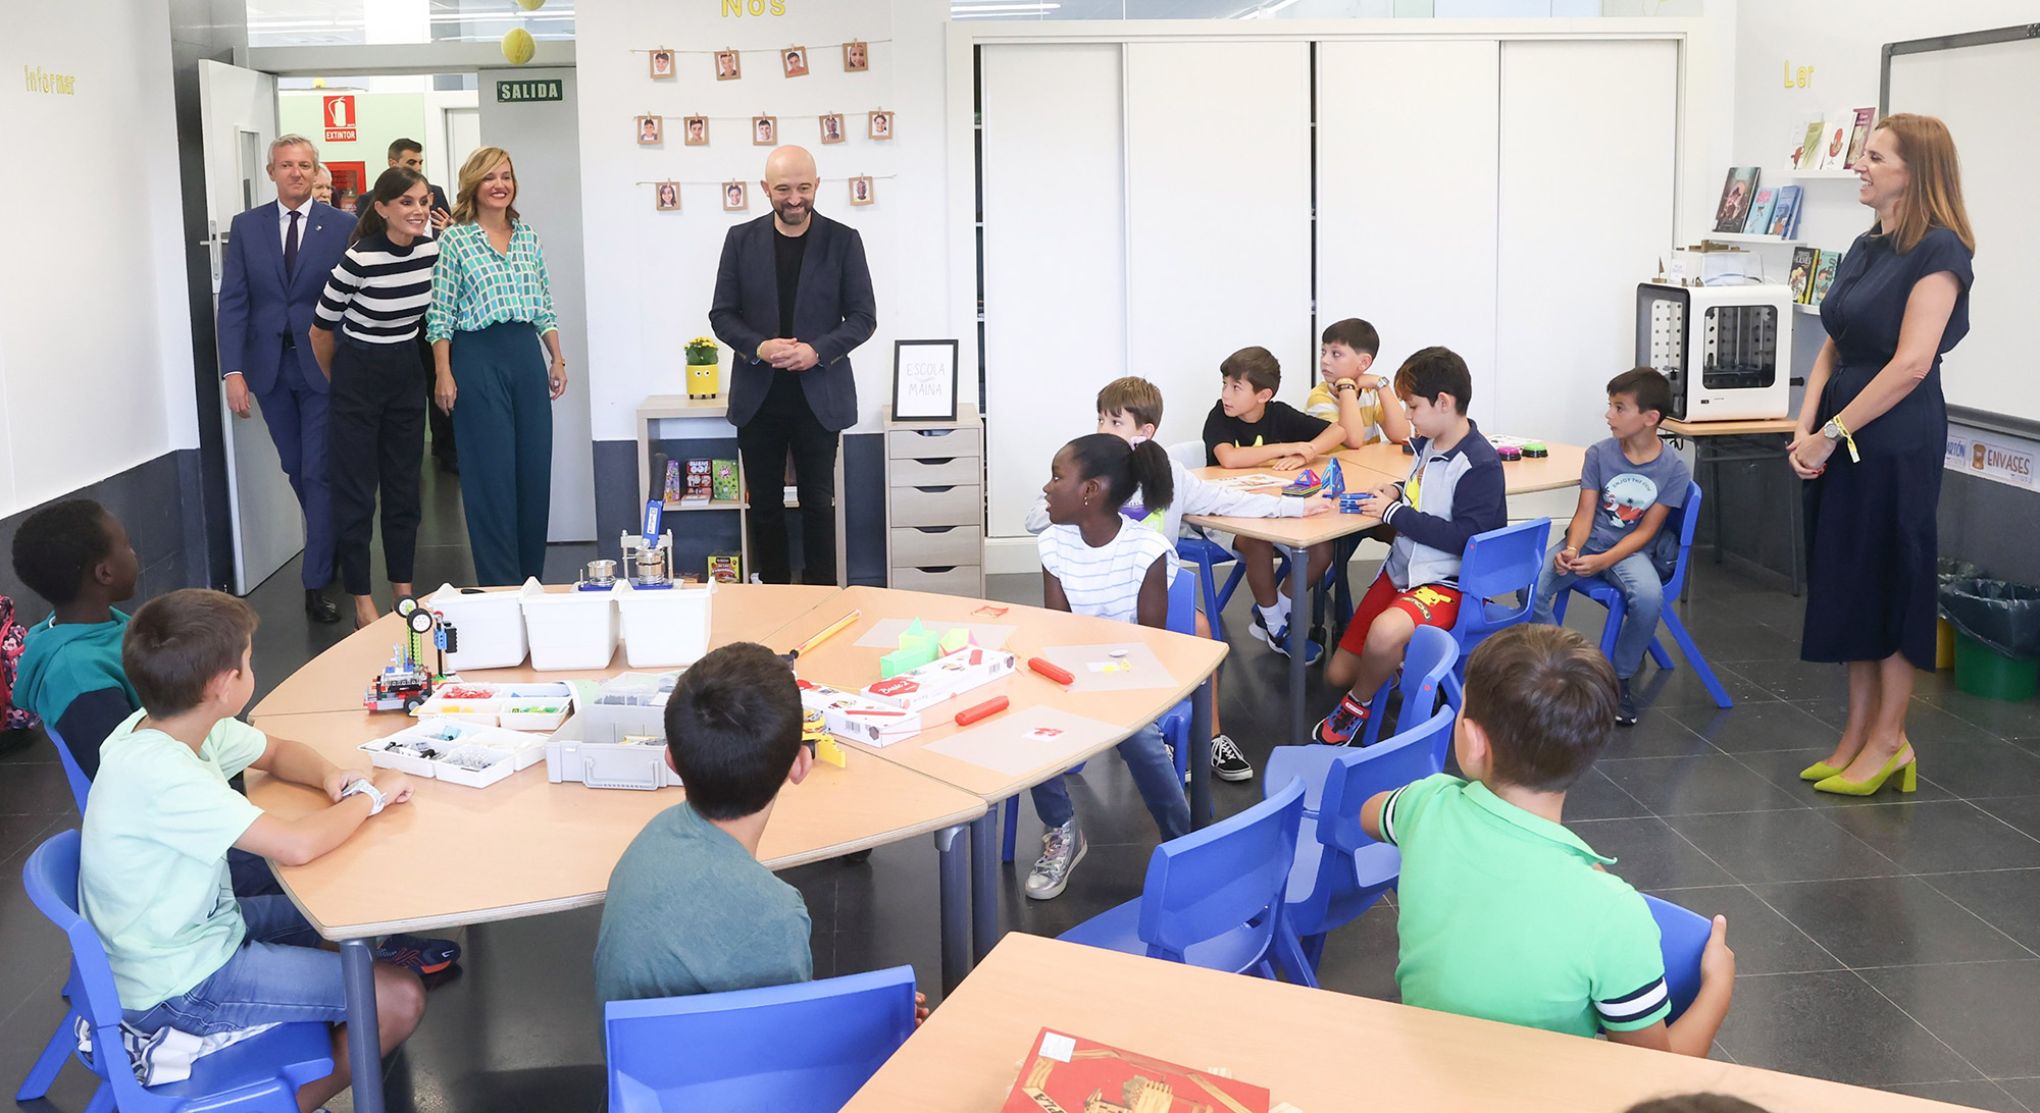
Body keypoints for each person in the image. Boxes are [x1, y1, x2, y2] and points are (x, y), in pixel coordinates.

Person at [79, 589, 440, 1113]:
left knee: (343, 918)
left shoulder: (165, 728)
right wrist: (372, 793)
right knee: (399, 999)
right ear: (225, 686)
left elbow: (275, 750)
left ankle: (310, 1011)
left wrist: (330, 776)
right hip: (180, 982)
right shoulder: (163, 774)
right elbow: (295, 846)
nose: (252, 671)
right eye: (248, 662)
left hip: (189, 932)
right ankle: (282, 1103)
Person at [1358, 624, 1735, 1055]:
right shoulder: (1614, 912)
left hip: (1421, 1070)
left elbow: (1371, 813)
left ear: (1475, 740)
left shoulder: (1425, 805)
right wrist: (1717, 987)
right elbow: (1652, 1074)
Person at [1788, 113, 1975, 797]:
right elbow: (1835, 337)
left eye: (1873, 156)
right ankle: (1857, 733)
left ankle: (1892, 741)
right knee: (1851, 582)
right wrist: (1804, 425)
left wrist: (1830, 433)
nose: (1859, 166)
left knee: (1891, 581)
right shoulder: (1870, 242)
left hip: (1894, 438)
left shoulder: (1942, 251)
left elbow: (1911, 365)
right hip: (1842, 424)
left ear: (1913, 172)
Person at [1023, 377, 1333, 783]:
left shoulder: (1166, 473)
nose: (1102, 429)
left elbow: (1228, 501)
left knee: (1203, 630)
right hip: (1093, 600)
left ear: (1144, 432)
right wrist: (1082, 491)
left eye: (1115, 422)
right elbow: (1033, 520)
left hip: (1151, 597)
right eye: (1100, 419)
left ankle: (1210, 737)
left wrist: (1294, 508)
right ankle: (1126, 733)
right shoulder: (1086, 476)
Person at [593, 643, 814, 1004]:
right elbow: (791, 1042)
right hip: (721, 1059)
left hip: (635, 1057)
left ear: (671, 760)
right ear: (800, 765)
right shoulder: (775, 913)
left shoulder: (655, 835)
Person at [1025, 433, 1192, 900]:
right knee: (1033, 725)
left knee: (1140, 736)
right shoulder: (1053, 544)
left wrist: (1103, 680)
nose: (1047, 488)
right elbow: (1058, 633)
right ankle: (1062, 830)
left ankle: (1182, 842)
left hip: (1133, 682)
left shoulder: (1146, 550)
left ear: (1090, 491)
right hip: (1074, 678)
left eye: (1058, 477)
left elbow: (1150, 646)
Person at [1317, 347, 1505, 746]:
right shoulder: (1431, 443)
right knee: (1338, 672)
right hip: (1403, 570)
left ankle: (1359, 703)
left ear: (1444, 402)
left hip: (1448, 582)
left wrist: (1393, 514)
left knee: (1383, 635)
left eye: (1412, 406)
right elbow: (1425, 494)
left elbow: (1467, 538)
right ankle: (1398, 666)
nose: (1406, 415)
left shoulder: (1478, 464)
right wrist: (1397, 491)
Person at [710, 146, 877, 585]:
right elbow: (722, 315)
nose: (795, 198)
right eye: (784, 189)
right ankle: (775, 601)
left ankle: (822, 601)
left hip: (819, 396)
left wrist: (817, 351)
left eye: (804, 187)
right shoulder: (739, 240)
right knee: (763, 507)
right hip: (758, 399)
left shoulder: (844, 240)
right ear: (766, 189)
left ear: (817, 185)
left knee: (819, 505)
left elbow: (863, 318)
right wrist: (760, 347)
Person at [216, 134, 354, 625]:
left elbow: (356, 297)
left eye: (304, 165)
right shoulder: (247, 227)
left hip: (324, 366)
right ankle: (328, 535)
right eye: (286, 165)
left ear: (316, 172)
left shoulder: (342, 226)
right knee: (296, 468)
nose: (296, 173)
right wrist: (233, 371)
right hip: (270, 369)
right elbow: (233, 301)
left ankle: (315, 581)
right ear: (271, 171)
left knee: (318, 472)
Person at [425, 147, 568, 586]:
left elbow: (542, 303)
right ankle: (500, 585)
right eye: (490, 177)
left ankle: (530, 582)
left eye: (506, 176)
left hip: (524, 354)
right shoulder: (455, 240)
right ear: (474, 185)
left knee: (532, 472)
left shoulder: (527, 236)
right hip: (476, 357)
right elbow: (440, 313)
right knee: (491, 477)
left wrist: (556, 356)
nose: (500, 184)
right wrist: (444, 372)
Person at [311, 168, 439, 630]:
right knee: (357, 495)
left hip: (405, 370)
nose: (418, 210)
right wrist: (340, 381)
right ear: (381, 208)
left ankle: (403, 593)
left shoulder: (431, 249)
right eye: (406, 202)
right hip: (357, 373)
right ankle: (362, 599)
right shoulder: (358, 260)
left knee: (405, 490)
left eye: (423, 201)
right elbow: (320, 330)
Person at [1531, 368, 1689, 726]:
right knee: (1533, 586)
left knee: (1649, 598)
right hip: (1589, 541)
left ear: (1650, 418)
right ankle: (1565, 668)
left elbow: (1647, 531)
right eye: (1610, 406)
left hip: (1630, 551)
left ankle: (1619, 678)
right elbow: (1585, 512)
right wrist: (1573, 548)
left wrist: (1604, 559)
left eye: (1620, 408)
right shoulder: (1599, 453)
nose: (1608, 416)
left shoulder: (1673, 469)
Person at [1201, 346, 1345, 663]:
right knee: (1258, 544)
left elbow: (1339, 431)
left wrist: (1306, 452)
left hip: (1276, 509)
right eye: (1225, 384)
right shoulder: (1219, 416)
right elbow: (1229, 457)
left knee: (1322, 550)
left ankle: (1273, 611)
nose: (1226, 394)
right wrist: (1288, 446)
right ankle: (1278, 628)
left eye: (1235, 387)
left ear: (1263, 395)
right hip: (1221, 516)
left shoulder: (1279, 414)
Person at [11, 500, 141, 775]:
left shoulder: (108, 625)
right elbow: (125, 776)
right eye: (127, 545)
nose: (134, 552)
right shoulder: (78, 677)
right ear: (105, 573)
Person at [387, 139, 458, 472]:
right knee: (405, 387)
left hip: (433, 304)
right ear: (393, 163)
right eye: (410, 162)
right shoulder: (374, 199)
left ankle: (446, 451)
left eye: (419, 162)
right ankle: (405, 456)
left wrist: (451, 231)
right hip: (395, 308)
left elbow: (452, 235)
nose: (417, 168)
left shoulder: (438, 193)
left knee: (439, 380)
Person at [1305, 318, 1411, 447]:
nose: (1324, 360)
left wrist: (1380, 384)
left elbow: (1402, 435)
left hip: (1366, 465)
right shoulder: (1319, 397)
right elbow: (1353, 441)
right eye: (1323, 352)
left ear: (1363, 363)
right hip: (1335, 466)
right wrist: (1346, 386)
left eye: (1336, 354)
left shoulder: (1370, 392)